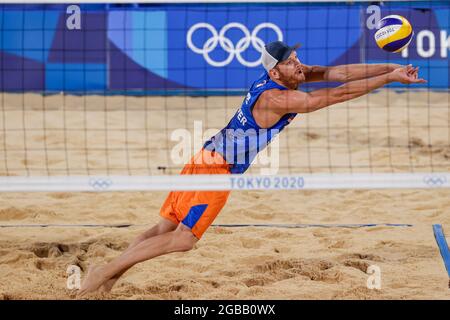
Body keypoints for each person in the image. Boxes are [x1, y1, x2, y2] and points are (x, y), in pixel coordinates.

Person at [78, 40, 425, 296]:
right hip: (217, 170)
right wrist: (389, 80)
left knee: (160, 229)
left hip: (205, 155)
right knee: (183, 239)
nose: (300, 64)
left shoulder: (283, 79)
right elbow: (334, 95)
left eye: (297, 58)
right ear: (275, 71)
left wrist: (389, 69)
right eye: (291, 62)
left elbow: (341, 73)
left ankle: (107, 278)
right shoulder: (278, 97)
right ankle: (102, 273)